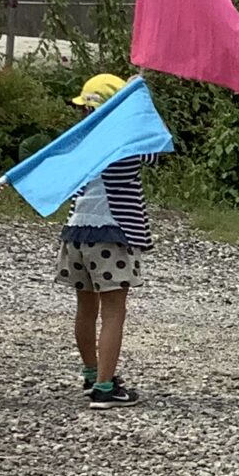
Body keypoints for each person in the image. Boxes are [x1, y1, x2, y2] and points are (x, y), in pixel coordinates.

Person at [59, 73, 154, 410]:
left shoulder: (78, 142)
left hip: (75, 233)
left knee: (86, 309)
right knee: (113, 312)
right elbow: (154, 150)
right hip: (111, 234)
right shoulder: (123, 146)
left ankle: (91, 372)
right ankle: (104, 385)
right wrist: (139, 101)